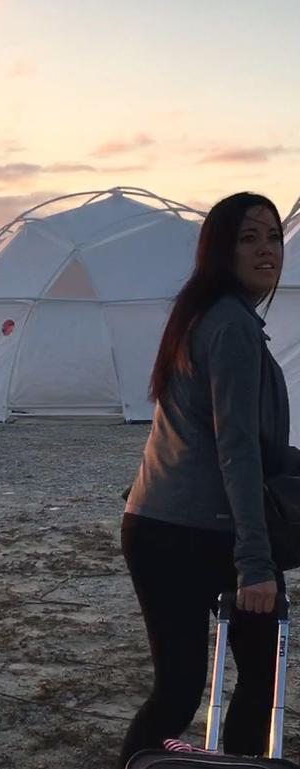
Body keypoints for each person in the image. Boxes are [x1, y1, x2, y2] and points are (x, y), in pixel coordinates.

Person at [118, 192, 297, 765]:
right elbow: (236, 450)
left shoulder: (213, 316)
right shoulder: (230, 327)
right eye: (249, 238)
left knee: (207, 682)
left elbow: (247, 444)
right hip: (191, 532)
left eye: (272, 236)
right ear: (222, 250)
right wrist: (254, 562)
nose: (267, 249)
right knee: (191, 687)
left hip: (164, 525)